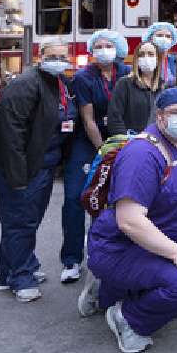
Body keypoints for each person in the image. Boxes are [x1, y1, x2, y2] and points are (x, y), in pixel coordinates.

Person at [85, 87, 177, 353]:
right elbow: (129, 221)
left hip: (152, 245)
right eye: (176, 112)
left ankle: (106, 290)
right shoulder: (142, 154)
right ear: (160, 116)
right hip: (118, 247)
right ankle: (126, 319)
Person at [0, 39, 76, 303]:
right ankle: (20, 277)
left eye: (62, 55)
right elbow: (10, 133)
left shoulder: (60, 84)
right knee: (20, 222)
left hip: (43, 165)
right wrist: (18, 178)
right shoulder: (26, 84)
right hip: (19, 168)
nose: (58, 60)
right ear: (40, 56)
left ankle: (6, 273)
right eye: (52, 55)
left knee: (25, 222)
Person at [60, 30, 130, 283]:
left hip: (120, 138)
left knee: (116, 199)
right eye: (98, 46)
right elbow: (88, 121)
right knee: (76, 198)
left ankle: (108, 255)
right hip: (90, 142)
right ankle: (71, 259)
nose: (103, 50)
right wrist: (104, 151)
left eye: (108, 45)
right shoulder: (83, 77)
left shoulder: (126, 72)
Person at [108, 40, 165, 135]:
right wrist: (127, 142)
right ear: (136, 60)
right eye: (142, 55)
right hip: (130, 143)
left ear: (157, 59)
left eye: (151, 54)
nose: (146, 58)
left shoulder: (163, 86)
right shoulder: (124, 84)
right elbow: (115, 120)